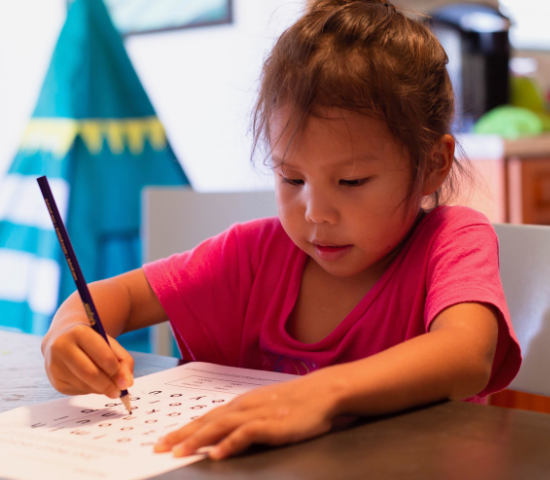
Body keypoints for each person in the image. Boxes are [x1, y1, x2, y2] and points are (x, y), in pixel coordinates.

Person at [41, 0, 521, 461]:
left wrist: (324, 393)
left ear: (434, 165)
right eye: (291, 178)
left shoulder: (451, 240)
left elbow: (467, 354)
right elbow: (113, 299)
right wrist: (66, 334)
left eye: (351, 181)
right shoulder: (252, 255)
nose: (315, 212)